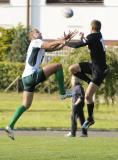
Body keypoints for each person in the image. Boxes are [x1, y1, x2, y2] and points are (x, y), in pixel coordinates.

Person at [5, 28, 76, 140]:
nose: (40, 33)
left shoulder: (39, 45)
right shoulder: (35, 42)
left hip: (26, 78)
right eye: (37, 32)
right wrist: (61, 40)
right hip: (32, 75)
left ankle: (10, 126)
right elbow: (49, 45)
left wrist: (64, 42)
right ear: (33, 36)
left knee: (26, 105)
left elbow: (52, 48)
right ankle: (63, 93)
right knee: (58, 66)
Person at [66, 20, 109, 129]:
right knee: (73, 69)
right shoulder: (98, 36)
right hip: (94, 65)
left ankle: (90, 118)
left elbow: (77, 46)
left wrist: (64, 43)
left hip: (99, 70)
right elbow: (89, 44)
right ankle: (89, 81)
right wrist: (83, 38)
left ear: (91, 27)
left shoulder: (93, 37)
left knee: (88, 96)